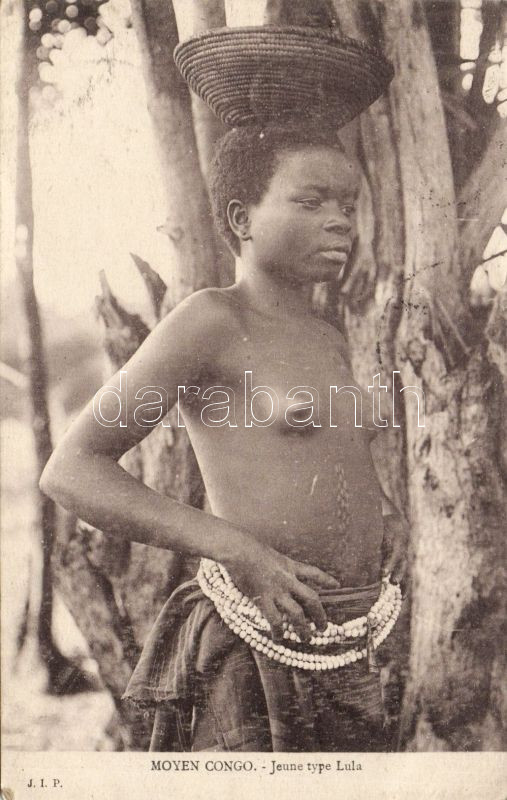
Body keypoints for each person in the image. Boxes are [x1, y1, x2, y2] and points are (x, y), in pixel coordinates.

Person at [40, 118, 407, 752]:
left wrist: (386, 514)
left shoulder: (328, 335)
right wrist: (238, 550)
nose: (340, 222)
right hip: (251, 649)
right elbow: (71, 470)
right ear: (242, 219)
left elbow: (325, 452)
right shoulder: (211, 320)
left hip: (352, 645)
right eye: (312, 201)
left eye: (348, 205)